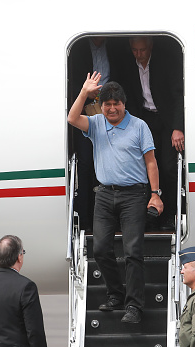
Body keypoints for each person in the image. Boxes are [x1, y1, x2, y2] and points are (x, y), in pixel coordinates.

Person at [67, 72, 164, 323]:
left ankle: (134, 306)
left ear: (124, 104)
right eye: (107, 104)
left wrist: (155, 195)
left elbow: (151, 162)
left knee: (133, 250)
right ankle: (115, 294)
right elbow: (72, 118)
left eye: (116, 104)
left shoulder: (139, 126)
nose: (111, 109)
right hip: (104, 194)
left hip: (134, 194)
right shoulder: (97, 123)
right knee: (99, 248)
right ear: (102, 105)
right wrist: (84, 93)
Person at [123, 36, 184, 231]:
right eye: (134, 50)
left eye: (142, 50)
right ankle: (149, 216)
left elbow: (178, 94)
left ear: (150, 47)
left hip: (166, 119)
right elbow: (128, 96)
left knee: (167, 168)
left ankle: (170, 216)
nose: (138, 54)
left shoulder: (165, 62)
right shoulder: (127, 64)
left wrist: (178, 127)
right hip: (144, 119)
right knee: (144, 168)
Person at [68, 37, 123, 231]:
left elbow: (125, 78)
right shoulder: (78, 47)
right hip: (85, 112)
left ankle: (113, 222)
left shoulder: (117, 45)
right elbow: (68, 80)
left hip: (112, 112)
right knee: (85, 166)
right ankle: (85, 222)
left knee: (113, 164)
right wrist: (85, 93)